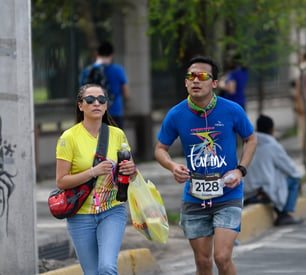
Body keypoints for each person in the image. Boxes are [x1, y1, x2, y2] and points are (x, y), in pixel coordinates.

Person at [154, 55, 257, 275]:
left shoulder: (231, 109)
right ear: (185, 82)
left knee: (221, 257)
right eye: (191, 76)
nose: (195, 81)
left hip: (227, 193)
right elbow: (160, 149)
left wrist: (240, 170)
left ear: (214, 83)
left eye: (202, 76)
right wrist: (172, 166)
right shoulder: (176, 114)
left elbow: (251, 138)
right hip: (194, 195)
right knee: (202, 261)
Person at [56, 84, 138, 274]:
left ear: (107, 105)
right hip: (80, 215)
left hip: (112, 210)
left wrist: (131, 170)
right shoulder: (68, 138)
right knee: (92, 272)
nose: (96, 103)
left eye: (101, 100)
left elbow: (131, 173)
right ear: (80, 105)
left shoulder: (117, 134)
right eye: (90, 100)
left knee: (107, 267)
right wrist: (93, 172)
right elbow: (61, 181)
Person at [243, 114, 303, 226]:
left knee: (274, 171)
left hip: (246, 193)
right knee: (295, 179)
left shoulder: (247, 143)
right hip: (264, 193)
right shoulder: (272, 145)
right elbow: (292, 170)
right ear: (272, 130)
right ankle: (284, 214)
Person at [80, 41, 129, 129]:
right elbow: (125, 93)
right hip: (114, 113)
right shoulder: (118, 70)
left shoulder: (87, 71)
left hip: (92, 114)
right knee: (115, 140)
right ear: (111, 55)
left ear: (96, 53)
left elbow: (81, 93)